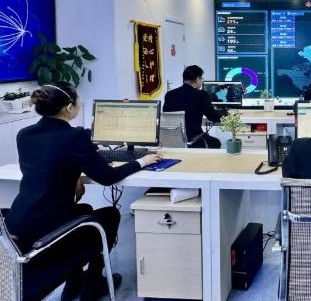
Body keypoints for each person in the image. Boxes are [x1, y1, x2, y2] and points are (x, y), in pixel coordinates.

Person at [5, 82, 162, 301]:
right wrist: (141, 161)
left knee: (85, 209)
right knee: (109, 215)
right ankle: (93, 284)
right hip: (48, 234)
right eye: (78, 102)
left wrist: (75, 172)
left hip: (18, 226)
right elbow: (107, 177)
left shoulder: (25, 134)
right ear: (69, 108)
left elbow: (49, 165)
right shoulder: (75, 137)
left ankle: (75, 282)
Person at [163, 65, 226, 148]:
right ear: (197, 79)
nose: (202, 81)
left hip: (174, 139)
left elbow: (166, 117)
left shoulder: (169, 95)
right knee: (216, 142)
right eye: (201, 78)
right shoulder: (201, 94)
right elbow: (212, 116)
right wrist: (228, 114)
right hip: (195, 140)